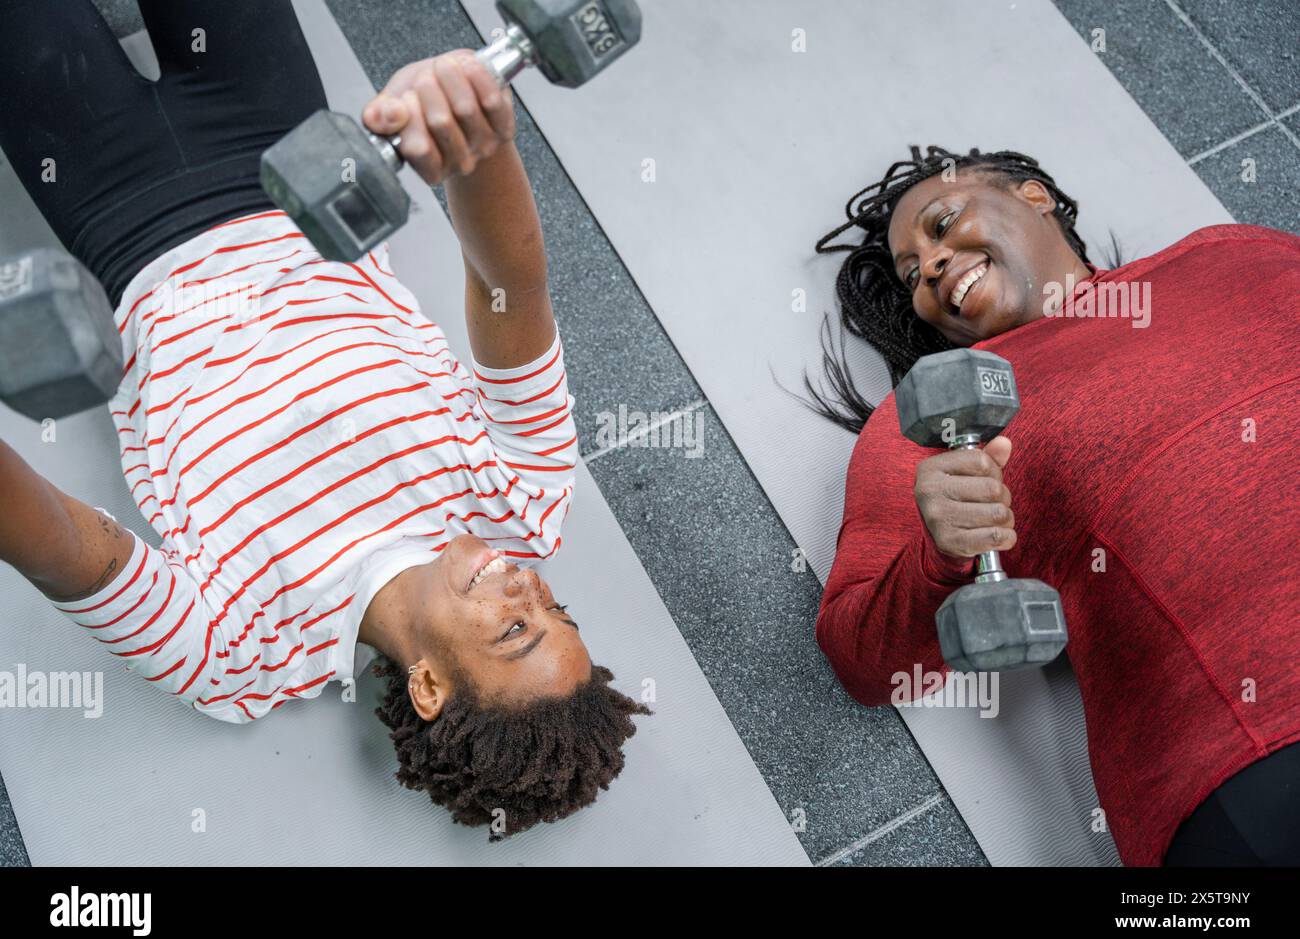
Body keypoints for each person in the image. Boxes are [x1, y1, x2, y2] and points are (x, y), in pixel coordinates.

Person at [0, 0, 648, 841]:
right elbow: (512, 293)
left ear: (428, 686)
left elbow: (66, 552)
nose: (532, 587)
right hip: (288, 150)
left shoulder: (240, 659)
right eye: (560, 613)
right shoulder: (525, 503)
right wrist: (477, 140)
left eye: (516, 631)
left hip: (118, 217)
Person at [809, 145, 1300, 866]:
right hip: (1245, 763)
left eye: (943, 224)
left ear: (1033, 196)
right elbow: (860, 658)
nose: (934, 265)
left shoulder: (1239, 254)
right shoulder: (942, 419)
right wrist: (944, 552)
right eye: (915, 274)